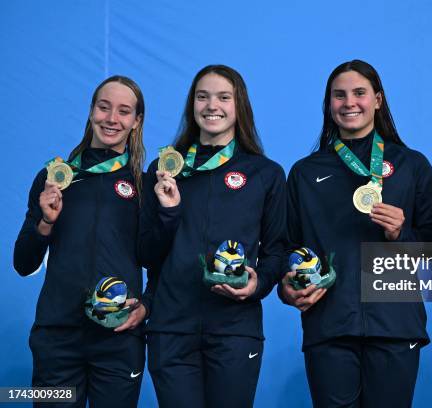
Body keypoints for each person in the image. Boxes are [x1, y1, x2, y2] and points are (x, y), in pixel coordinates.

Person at [279, 60, 432, 407]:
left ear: (378, 100)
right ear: (329, 104)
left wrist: (401, 235)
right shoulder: (305, 173)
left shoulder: (412, 165)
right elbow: (286, 249)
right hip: (329, 326)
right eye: (339, 95)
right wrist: (286, 287)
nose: (349, 102)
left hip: (396, 326)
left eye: (359, 93)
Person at [139, 65, 286, 408]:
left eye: (223, 97)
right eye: (202, 97)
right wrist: (169, 210)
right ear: (192, 105)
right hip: (171, 327)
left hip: (235, 328)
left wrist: (258, 284)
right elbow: (146, 254)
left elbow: (278, 250)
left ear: (239, 106)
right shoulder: (164, 170)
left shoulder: (265, 173)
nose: (211, 105)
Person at [13, 75, 148, 407]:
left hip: (118, 339)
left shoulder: (144, 186)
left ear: (136, 121)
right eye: (104, 107)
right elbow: (23, 263)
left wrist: (148, 305)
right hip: (57, 338)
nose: (112, 119)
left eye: (123, 111)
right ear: (91, 112)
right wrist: (46, 221)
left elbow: (164, 259)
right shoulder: (55, 179)